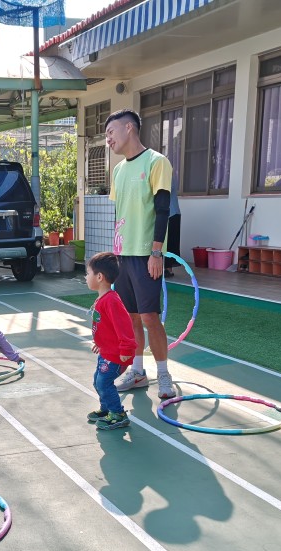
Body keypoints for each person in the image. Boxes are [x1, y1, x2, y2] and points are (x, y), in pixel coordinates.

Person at [104, 108, 177, 399]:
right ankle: (137, 371)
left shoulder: (157, 162)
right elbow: (121, 213)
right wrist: (115, 254)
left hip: (147, 254)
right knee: (131, 317)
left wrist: (156, 253)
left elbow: (163, 210)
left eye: (111, 132)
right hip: (123, 255)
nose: (108, 139)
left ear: (129, 128)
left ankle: (163, 374)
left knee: (149, 317)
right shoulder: (118, 170)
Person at [85, 252, 137, 431]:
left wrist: (126, 349)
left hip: (116, 355)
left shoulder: (111, 301)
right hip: (106, 352)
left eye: (88, 273)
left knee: (104, 383)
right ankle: (107, 408)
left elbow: (124, 326)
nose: (86, 277)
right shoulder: (103, 298)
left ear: (99, 277)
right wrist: (100, 343)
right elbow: (106, 327)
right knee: (97, 381)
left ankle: (118, 414)